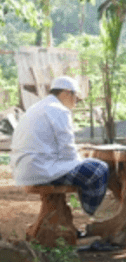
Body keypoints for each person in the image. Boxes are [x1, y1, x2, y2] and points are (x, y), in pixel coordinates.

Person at [10, 77, 109, 216]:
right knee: (99, 168)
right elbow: (68, 152)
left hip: (25, 168)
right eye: (77, 97)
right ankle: (90, 212)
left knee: (86, 167)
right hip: (42, 170)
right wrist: (82, 157)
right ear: (67, 93)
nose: (77, 101)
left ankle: (86, 211)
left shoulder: (38, 107)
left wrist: (78, 152)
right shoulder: (59, 110)